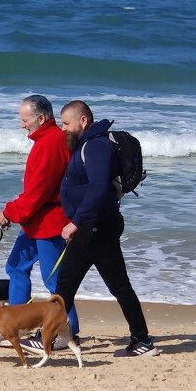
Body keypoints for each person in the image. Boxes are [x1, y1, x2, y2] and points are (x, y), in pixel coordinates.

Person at [53, 100, 159, 358]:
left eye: (66, 123)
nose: (63, 128)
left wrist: (75, 222)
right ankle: (140, 339)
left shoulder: (96, 146)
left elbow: (99, 189)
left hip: (95, 227)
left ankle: (142, 340)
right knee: (74, 284)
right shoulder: (86, 145)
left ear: (83, 121)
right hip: (95, 226)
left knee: (73, 285)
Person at [0, 95, 80, 343]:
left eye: (24, 119)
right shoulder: (47, 140)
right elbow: (35, 193)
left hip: (49, 223)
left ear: (40, 118)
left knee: (55, 281)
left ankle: (68, 332)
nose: (22, 125)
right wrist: (14, 212)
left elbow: (37, 193)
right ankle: (14, 327)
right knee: (16, 267)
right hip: (35, 221)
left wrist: (8, 213)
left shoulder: (49, 143)